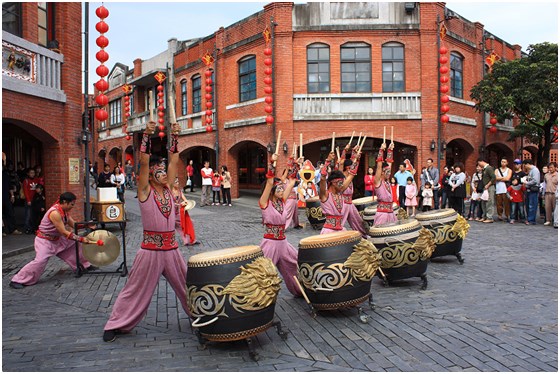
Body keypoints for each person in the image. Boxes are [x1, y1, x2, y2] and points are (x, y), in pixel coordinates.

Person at [103, 121, 190, 343]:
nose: (163, 174)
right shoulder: (144, 191)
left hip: (172, 249)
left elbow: (174, 160)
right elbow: (143, 164)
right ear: (151, 177)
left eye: (163, 172)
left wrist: (175, 137)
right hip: (150, 250)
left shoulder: (169, 189)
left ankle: (202, 317)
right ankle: (116, 323)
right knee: (134, 289)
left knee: (188, 287)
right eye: (158, 172)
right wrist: (146, 136)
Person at [9, 192, 97, 289]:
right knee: (40, 261)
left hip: (57, 239)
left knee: (74, 247)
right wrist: (81, 239)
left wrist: (86, 225)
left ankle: (85, 266)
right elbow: (64, 232)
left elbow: (74, 225)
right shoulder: (55, 213)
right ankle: (17, 280)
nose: (72, 206)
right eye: (72, 204)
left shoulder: (65, 212)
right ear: (64, 202)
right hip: (45, 241)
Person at [259, 153, 302, 297]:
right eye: (278, 189)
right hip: (270, 242)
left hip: (283, 242)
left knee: (294, 265)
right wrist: (272, 162)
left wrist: (295, 165)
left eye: (281, 189)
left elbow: (291, 183)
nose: (281, 190)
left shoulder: (282, 201)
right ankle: (258, 301)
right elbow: (270, 182)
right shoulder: (265, 202)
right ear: (271, 191)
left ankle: (300, 290)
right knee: (264, 273)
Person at [339, 153, 367, 238]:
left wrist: (356, 156)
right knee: (339, 223)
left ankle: (363, 235)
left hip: (350, 203)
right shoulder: (341, 176)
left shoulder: (349, 176)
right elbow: (340, 166)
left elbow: (353, 165)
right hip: (343, 203)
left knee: (357, 220)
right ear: (347, 167)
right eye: (351, 167)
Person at [373, 143, 397, 225]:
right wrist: (381, 150)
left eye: (389, 172)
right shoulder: (378, 182)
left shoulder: (387, 182)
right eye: (387, 172)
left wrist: (390, 150)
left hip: (391, 212)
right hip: (382, 214)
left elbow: (389, 163)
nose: (389, 174)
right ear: (382, 172)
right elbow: (379, 166)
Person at [171, 177, 197, 246]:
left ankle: (189, 240)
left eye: (178, 182)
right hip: (170, 214)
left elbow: (185, 199)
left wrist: (186, 203)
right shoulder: (170, 192)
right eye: (176, 182)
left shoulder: (179, 191)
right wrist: (177, 204)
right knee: (173, 227)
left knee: (187, 223)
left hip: (178, 213)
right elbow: (169, 203)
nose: (178, 183)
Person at [2, 153, 22, 235]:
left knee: (10, 213)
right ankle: (2, 231)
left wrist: (12, 195)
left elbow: (10, 186)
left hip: (6, 197)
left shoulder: (5, 175)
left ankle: (13, 229)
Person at [521, 159, 540, 225]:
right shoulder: (531, 171)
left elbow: (535, 181)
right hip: (529, 190)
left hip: (533, 190)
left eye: (525, 165)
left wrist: (527, 183)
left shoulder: (535, 170)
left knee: (532, 205)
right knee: (528, 204)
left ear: (528, 164)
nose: (524, 167)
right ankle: (529, 218)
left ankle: (531, 220)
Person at [477, 158, 496, 223]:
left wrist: (488, 184)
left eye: (479, 163)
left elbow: (493, 177)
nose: (479, 165)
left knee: (489, 202)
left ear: (481, 161)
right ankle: (484, 216)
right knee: (483, 202)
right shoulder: (484, 169)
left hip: (489, 187)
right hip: (485, 188)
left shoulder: (489, 168)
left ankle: (489, 217)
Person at [22, 167, 39, 234]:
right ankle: (27, 228)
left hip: (35, 200)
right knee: (28, 214)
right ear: (28, 173)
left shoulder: (36, 180)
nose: (32, 174)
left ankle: (32, 227)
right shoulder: (26, 181)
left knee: (33, 215)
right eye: (31, 173)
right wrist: (28, 200)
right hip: (28, 200)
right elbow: (25, 191)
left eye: (33, 173)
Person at [543, 162, 557, 226]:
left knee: (555, 208)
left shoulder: (557, 175)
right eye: (549, 168)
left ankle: (556, 220)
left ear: (555, 167)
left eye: (552, 167)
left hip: (555, 193)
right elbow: (544, 185)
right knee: (547, 207)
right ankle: (548, 220)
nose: (550, 169)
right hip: (547, 193)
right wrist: (543, 193)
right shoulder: (546, 175)